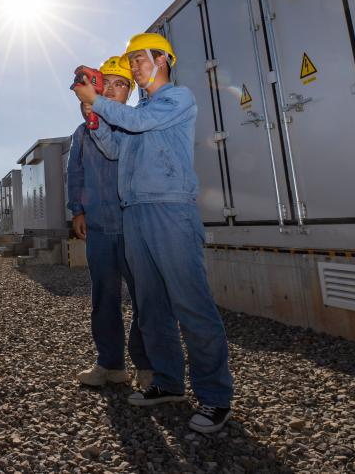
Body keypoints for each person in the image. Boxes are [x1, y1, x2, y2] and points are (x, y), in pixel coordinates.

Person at [72, 32, 234, 434]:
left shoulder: (176, 99)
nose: (134, 67)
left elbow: (139, 121)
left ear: (163, 59)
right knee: (153, 306)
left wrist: (99, 101)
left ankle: (215, 397)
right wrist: (94, 119)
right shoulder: (138, 110)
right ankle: (168, 382)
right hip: (134, 212)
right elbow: (113, 147)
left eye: (139, 59)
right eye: (131, 61)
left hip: (170, 208)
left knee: (191, 303)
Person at [67, 56, 151, 389]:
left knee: (146, 297)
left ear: (129, 92)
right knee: (104, 298)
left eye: (122, 85)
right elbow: (75, 172)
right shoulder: (82, 130)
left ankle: (147, 365)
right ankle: (111, 364)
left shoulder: (135, 122)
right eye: (109, 84)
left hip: (133, 225)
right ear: (99, 86)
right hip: (100, 227)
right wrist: (78, 210)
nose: (115, 91)